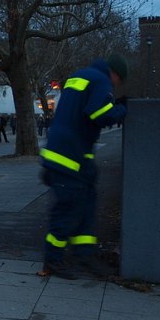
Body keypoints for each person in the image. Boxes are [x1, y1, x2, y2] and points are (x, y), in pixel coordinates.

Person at [39, 53, 129, 279]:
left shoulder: (81, 76)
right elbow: (97, 113)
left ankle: (84, 253)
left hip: (66, 154)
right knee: (68, 209)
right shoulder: (102, 81)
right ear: (116, 74)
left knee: (87, 204)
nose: (116, 85)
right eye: (119, 81)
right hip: (70, 157)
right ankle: (53, 259)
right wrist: (122, 109)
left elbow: (79, 111)